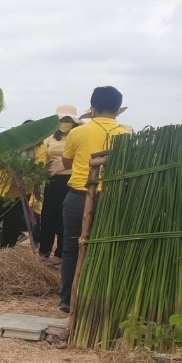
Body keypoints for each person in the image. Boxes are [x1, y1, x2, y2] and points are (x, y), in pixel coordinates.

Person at [58, 87, 131, 313]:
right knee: (104, 248)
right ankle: (98, 297)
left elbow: (67, 163)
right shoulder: (127, 134)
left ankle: (68, 300)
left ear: (91, 107)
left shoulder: (78, 133)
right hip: (112, 199)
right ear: (119, 109)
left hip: (79, 197)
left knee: (71, 247)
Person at [36, 106, 81, 264]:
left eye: (67, 119)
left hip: (69, 180)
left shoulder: (77, 135)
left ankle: (59, 254)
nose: (64, 122)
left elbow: (77, 158)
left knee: (63, 218)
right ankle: (43, 251)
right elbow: (47, 158)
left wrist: (59, 168)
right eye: (61, 119)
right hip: (52, 180)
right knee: (47, 215)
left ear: (73, 121)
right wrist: (42, 174)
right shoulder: (51, 137)